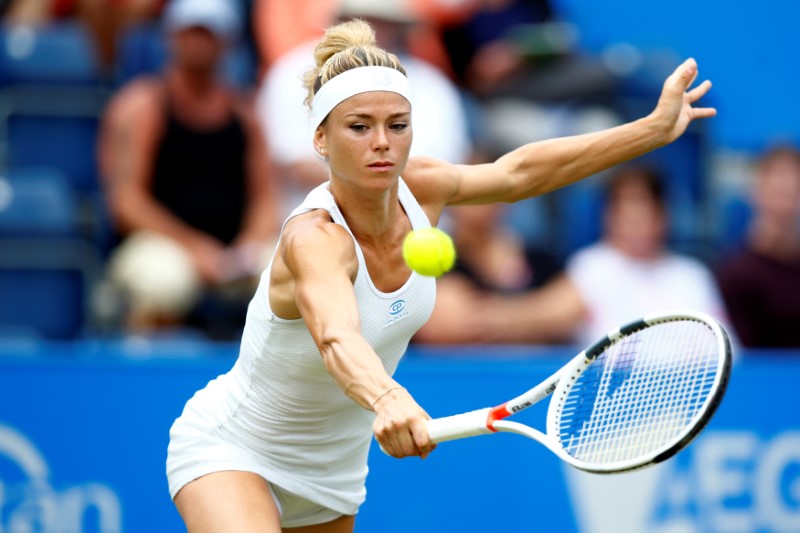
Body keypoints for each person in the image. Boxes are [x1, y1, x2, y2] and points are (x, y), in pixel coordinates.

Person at [166, 17, 715, 531]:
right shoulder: (314, 238)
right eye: (359, 127)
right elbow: (336, 337)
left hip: (332, 472)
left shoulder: (422, 189)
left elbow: (520, 172)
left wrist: (650, 130)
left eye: (396, 125)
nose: (382, 142)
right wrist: (387, 399)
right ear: (322, 140)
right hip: (234, 448)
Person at [98, 0, 282, 338]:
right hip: (158, 244)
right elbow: (126, 203)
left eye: (209, 34)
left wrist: (247, 247)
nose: (199, 42)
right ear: (171, 37)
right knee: (163, 279)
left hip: (231, 251)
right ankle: (146, 372)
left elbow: (264, 199)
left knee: (292, 273)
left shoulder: (246, 114)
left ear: (227, 42)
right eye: (191, 32)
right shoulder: (140, 107)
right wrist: (196, 250)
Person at [441, 164, 731, 346]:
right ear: (608, 216)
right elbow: (537, 316)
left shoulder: (693, 276)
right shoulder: (593, 268)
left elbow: (728, 348)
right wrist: (472, 316)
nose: (634, 222)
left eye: (643, 211)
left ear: (662, 216)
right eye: (624, 212)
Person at [255, 0, 473, 211]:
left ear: (398, 27)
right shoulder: (293, 71)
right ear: (339, 22)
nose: (370, 32)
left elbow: (447, 166)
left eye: (380, 21)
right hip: (317, 227)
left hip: (417, 232)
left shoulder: (433, 84)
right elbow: (295, 166)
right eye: (361, 20)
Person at [413, 201, 563, 344]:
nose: (480, 201)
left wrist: (507, 318)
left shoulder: (541, 257)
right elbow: (449, 325)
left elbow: (569, 310)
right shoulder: (429, 265)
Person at [715, 145, 800, 348]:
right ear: (754, 191)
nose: (785, 189)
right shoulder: (734, 275)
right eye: (776, 185)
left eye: (792, 185)